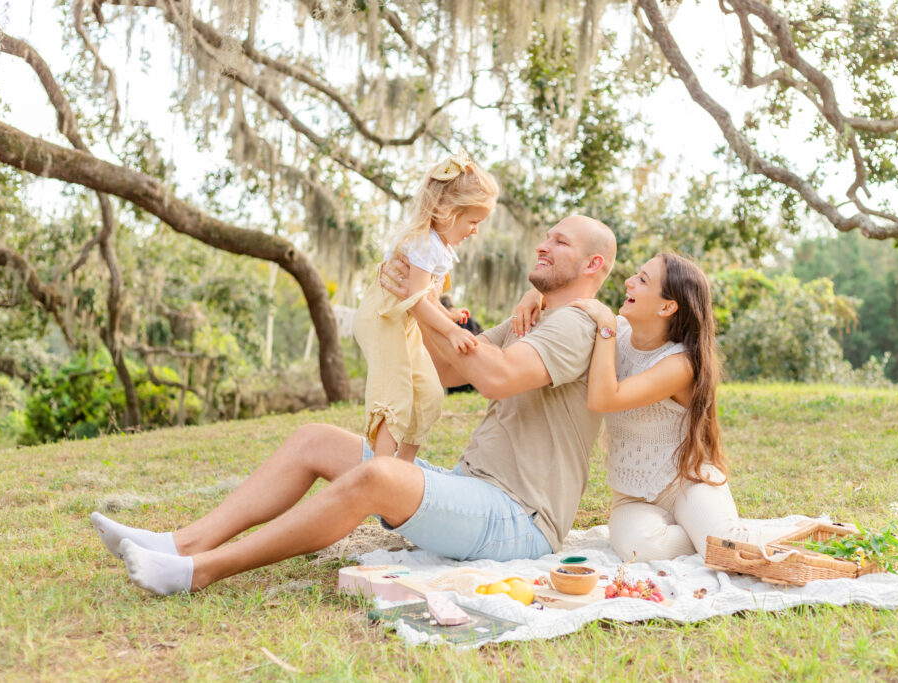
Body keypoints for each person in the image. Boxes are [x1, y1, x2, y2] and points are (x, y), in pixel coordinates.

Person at [90, 215, 617, 595]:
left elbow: (498, 378)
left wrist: (422, 299)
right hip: (475, 493)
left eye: (560, 241)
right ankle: (180, 543)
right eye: (546, 236)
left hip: (518, 522)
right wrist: (416, 302)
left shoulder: (581, 322)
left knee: (378, 478)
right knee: (314, 440)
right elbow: (453, 371)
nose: (544, 245)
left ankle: (197, 571)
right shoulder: (540, 318)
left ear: (593, 264)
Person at [513, 252, 790, 562]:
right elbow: (565, 296)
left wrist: (606, 326)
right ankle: (705, 533)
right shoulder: (615, 335)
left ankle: (780, 531)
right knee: (640, 550)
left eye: (642, 280)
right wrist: (533, 296)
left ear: (667, 306)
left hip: (686, 482)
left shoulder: (680, 363)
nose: (629, 282)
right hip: (632, 496)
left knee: (727, 548)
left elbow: (603, 399)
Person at [353, 151, 498, 462]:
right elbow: (416, 297)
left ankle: (402, 467)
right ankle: (381, 472)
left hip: (402, 320)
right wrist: (450, 329)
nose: (475, 230)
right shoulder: (423, 242)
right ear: (446, 211)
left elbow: (425, 296)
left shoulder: (439, 245)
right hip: (383, 319)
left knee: (429, 394)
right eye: (473, 221)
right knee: (395, 393)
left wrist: (447, 314)